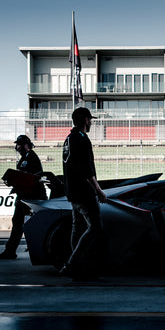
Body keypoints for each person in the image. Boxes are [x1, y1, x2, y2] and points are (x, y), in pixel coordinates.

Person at [60, 107, 107, 281]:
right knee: (95, 227)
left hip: (72, 192)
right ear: (85, 120)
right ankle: (73, 263)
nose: (91, 122)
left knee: (77, 228)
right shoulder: (80, 139)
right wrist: (98, 189)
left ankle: (78, 266)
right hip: (84, 192)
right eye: (90, 119)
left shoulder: (68, 139)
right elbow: (85, 169)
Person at [0, 135, 46, 259]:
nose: (17, 147)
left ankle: (12, 250)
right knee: (19, 222)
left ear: (26, 145)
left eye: (19, 144)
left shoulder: (31, 157)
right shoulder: (25, 158)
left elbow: (31, 176)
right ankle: (11, 250)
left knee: (22, 223)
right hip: (25, 195)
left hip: (31, 196)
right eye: (17, 145)